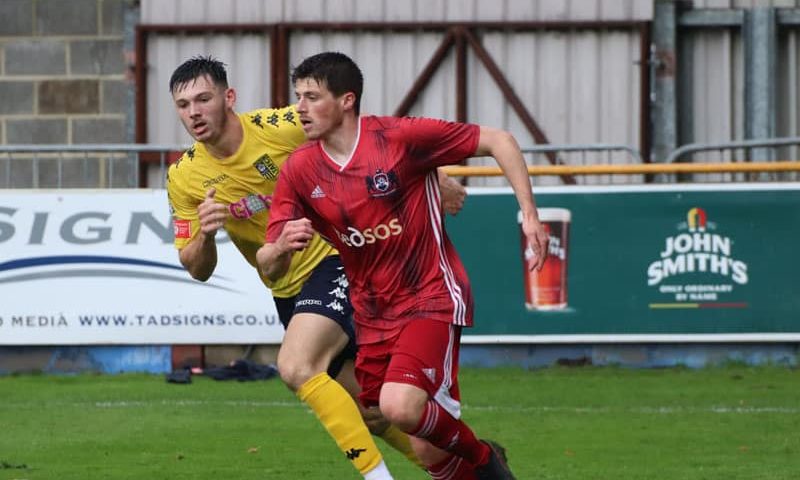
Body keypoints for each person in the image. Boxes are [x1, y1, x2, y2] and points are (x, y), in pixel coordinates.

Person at [165, 56, 466, 479]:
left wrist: (434, 178)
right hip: (286, 288)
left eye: (203, 99)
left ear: (228, 97)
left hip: (337, 259)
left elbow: (360, 130)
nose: (193, 112)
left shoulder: (279, 126)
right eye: (183, 105)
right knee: (372, 414)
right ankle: (470, 468)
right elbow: (196, 268)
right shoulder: (184, 178)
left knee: (295, 365)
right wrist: (207, 235)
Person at [258, 51, 548, 479]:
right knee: (413, 441)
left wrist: (529, 215)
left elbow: (499, 140)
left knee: (399, 405)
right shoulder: (300, 170)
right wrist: (280, 247)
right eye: (297, 96)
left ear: (347, 100)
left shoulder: (399, 139)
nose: (299, 108)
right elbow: (269, 268)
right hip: (373, 313)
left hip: (430, 294)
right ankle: (475, 466)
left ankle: (487, 461)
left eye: (311, 96)